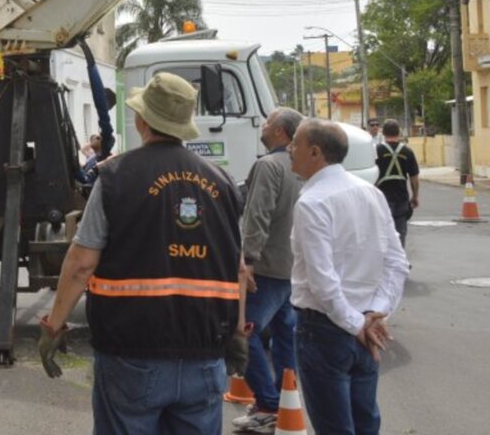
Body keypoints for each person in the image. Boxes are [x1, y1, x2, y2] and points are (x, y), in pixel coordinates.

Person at [39, 72, 246, 435]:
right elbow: (238, 270)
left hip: (131, 355)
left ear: (141, 119)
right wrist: (240, 334)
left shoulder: (116, 177)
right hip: (205, 354)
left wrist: (53, 327)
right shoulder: (223, 182)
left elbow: (81, 264)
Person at [288, 119, 409, 435]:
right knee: (365, 422)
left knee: (335, 427)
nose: (289, 150)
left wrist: (359, 323)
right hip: (365, 323)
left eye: (295, 144)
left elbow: (322, 281)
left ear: (315, 152)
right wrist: (375, 314)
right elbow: (396, 263)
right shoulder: (370, 193)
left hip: (326, 328)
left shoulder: (312, 202)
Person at [233, 107, 303, 435]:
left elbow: (256, 216)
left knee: (243, 334)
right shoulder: (303, 166)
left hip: (266, 269)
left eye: (268, 122)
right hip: (293, 267)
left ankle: (267, 404)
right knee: (285, 335)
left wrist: (247, 261)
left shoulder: (268, 165)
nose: (263, 125)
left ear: (280, 133)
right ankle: (285, 399)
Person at [375, 119, 420, 247]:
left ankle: (384, 261)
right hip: (401, 197)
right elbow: (414, 178)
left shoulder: (376, 151)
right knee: (400, 232)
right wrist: (415, 196)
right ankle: (400, 261)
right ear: (399, 132)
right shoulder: (407, 152)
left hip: (381, 197)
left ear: (383, 132)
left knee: (382, 232)